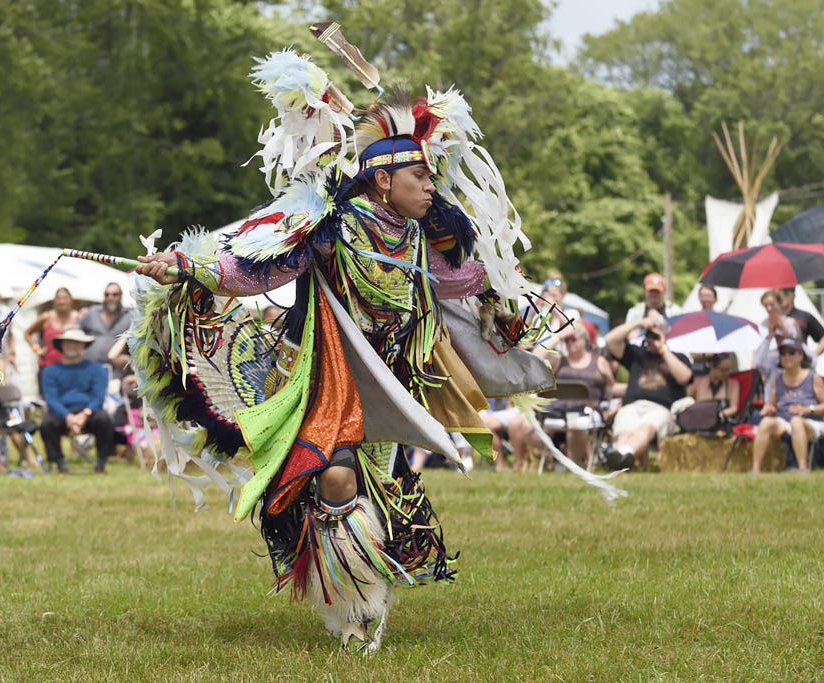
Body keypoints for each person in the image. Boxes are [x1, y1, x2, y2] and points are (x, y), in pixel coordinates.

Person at [132, 58, 557, 651]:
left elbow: (467, 282)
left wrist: (505, 305)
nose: (432, 187)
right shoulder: (333, 226)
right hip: (330, 377)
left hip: (395, 384)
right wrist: (187, 266)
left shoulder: (422, 237)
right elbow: (258, 270)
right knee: (334, 475)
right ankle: (354, 611)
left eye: (433, 177)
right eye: (421, 177)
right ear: (383, 179)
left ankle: (364, 595)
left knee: (375, 482)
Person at [512, 323, 613, 467]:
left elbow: (611, 387)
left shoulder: (599, 361)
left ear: (585, 341)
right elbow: (535, 356)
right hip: (556, 411)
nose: (569, 343)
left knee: (577, 423)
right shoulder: (559, 360)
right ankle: (551, 456)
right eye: (567, 340)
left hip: (585, 412)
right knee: (525, 425)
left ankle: (573, 464)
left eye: (573, 339)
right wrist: (558, 335)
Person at [604, 311, 692, 469]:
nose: (653, 338)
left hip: (660, 409)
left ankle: (620, 456)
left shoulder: (677, 356)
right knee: (625, 432)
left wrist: (663, 349)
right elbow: (610, 340)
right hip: (632, 406)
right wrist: (638, 324)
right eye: (650, 334)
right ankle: (621, 457)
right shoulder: (637, 354)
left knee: (646, 428)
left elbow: (684, 377)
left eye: (657, 334)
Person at [751, 337, 824, 473]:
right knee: (765, 423)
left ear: (801, 356)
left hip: (810, 422)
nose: (786, 356)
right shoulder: (777, 379)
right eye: (783, 353)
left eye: (791, 352)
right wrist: (768, 408)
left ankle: (802, 468)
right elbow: (772, 404)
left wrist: (808, 409)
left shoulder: (812, 377)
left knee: (796, 422)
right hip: (784, 421)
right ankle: (755, 469)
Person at [38, 326, 113, 473]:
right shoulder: (50, 370)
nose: (72, 346)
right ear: (62, 345)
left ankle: (101, 462)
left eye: (77, 342)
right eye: (69, 342)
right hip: (61, 412)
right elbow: (51, 398)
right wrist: (69, 417)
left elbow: (99, 396)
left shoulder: (97, 369)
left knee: (105, 420)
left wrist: (85, 414)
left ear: (84, 345)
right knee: (46, 423)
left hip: (89, 411)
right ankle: (59, 463)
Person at [24, 287, 80, 388]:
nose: (62, 301)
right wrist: (36, 348)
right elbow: (27, 333)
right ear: (54, 301)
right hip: (48, 366)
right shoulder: (46, 317)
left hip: (72, 368)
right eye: (59, 298)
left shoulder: (78, 317)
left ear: (71, 300)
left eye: (65, 298)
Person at [78, 282, 131, 374]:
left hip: (116, 373)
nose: (110, 298)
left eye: (115, 294)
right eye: (107, 294)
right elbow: (76, 330)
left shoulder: (129, 316)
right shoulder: (92, 312)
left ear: (121, 296)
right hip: (88, 369)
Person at [754, 289, 802, 388]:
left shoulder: (791, 323)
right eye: (765, 305)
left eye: (772, 304)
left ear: (780, 303)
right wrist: (770, 335)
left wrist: (783, 330)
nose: (769, 308)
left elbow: (798, 347)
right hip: (770, 372)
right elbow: (758, 357)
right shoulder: (762, 326)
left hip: (791, 373)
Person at [685, 353, 739, 419]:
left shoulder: (733, 384)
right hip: (701, 422)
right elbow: (685, 402)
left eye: (728, 370)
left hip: (723, 422)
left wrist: (718, 415)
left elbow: (734, 408)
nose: (727, 373)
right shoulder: (697, 383)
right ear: (712, 366)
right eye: (723, 370)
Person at [781, 287, 824, 356]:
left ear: (793, 295)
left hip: (799, 362)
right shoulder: (773, 318)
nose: (782, 297)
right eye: (779, 295)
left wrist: (812, 356)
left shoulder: (803, 316)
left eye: (785, 293)